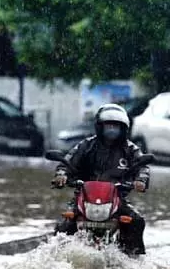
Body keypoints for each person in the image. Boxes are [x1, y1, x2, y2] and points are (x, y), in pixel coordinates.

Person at [51, 103, 151, 255]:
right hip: (83, 197)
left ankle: (134, 259)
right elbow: (67, 162)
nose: (112, 130)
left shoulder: (130, 149)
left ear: (123, 129)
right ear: (100, 127)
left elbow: (142, 167)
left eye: (116, 126)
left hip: (117, 199)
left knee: (137, 221)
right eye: (108, 126)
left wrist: (140, 181)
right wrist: (61, 176)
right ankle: (56, 257)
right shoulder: (85, 145)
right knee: (64, 224)